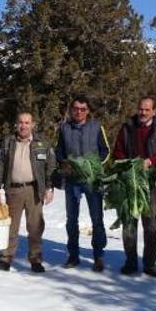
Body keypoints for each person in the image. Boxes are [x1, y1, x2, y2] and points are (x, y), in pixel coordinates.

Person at [112, 96, 156, 277]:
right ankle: (130, 261)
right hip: (130, 181)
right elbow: (118, 150)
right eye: (141, 109)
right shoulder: (127, 127)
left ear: (153, 111)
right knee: (129, 223)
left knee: (150, 224)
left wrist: (150, 161)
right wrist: (125, 164)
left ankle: (149, 263)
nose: (143, 113)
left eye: (147, 110)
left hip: (151, 183)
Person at [0, 112, 56, 273]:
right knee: (11, 227)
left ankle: (35, 260)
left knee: (35, 227)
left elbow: (51, 167)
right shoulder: (8, 142)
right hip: (14, 189)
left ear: (33, 124)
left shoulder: (42, 143)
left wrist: (49, 188)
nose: (23, 126)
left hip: (34, 190)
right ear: (16, 124)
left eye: (27, 123)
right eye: (21, 122)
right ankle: (6, 258)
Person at [55, 95, 109, 272]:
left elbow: (105, 150)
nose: (79, 112)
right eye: (76, 109)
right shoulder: (64, 128)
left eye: (83, 109)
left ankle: (98, 256)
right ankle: (73, 255)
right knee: (72, 219)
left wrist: (93, 165)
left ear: (87, 111)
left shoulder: (96, 127)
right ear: (71, 110)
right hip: (72, 181)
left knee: (97, 219)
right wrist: (64, 163)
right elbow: (59, 151)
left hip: (92, 180)